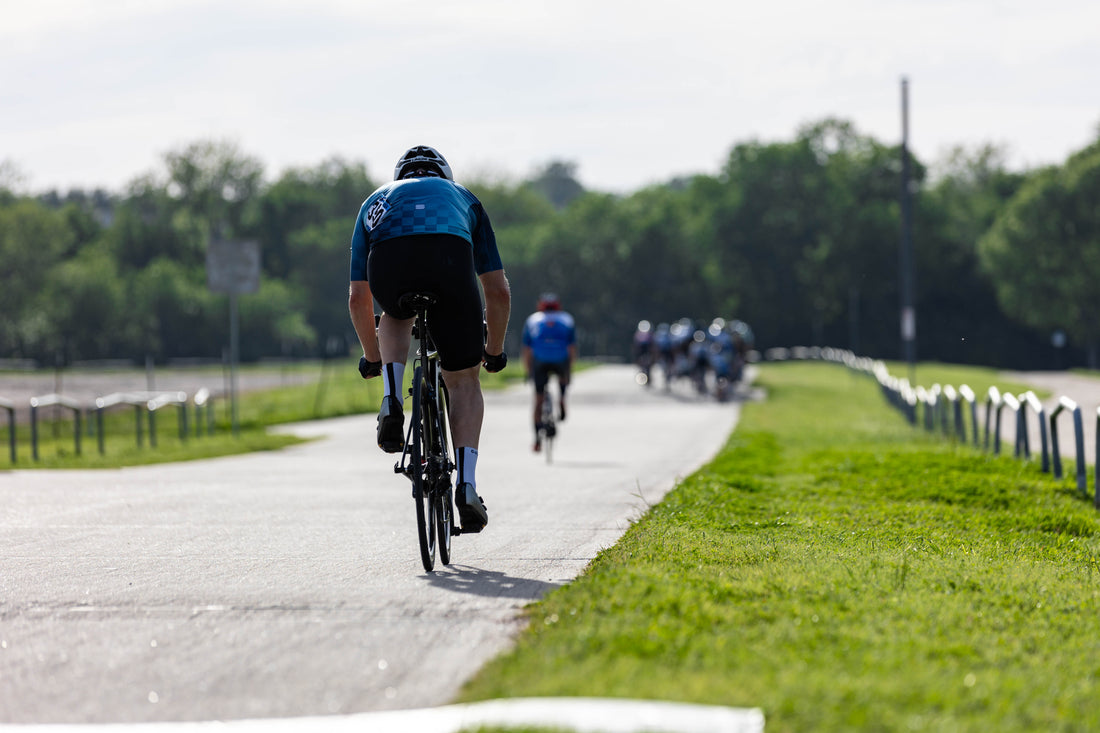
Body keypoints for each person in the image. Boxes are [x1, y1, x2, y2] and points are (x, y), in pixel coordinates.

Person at [348, 145, 511, 533]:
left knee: (394, 311)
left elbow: (358, 297)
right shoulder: (464, 198)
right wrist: (494, 351)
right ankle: (467, 485)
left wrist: (371, 357)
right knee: (464, 382)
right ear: (446, 175)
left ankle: (391, 394)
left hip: (392, 265)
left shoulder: (376, 200)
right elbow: (499, 293)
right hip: (450, 263)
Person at [521, 293, 576, 452]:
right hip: (560, 359)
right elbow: (571, 347)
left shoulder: (533, 319)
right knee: (563, 378)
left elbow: (527, 349)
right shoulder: (567, 319)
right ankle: (562, 398)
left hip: (540, 360)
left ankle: (537, 439)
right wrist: (569, 369)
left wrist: (529, 369)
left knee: (538, 400)